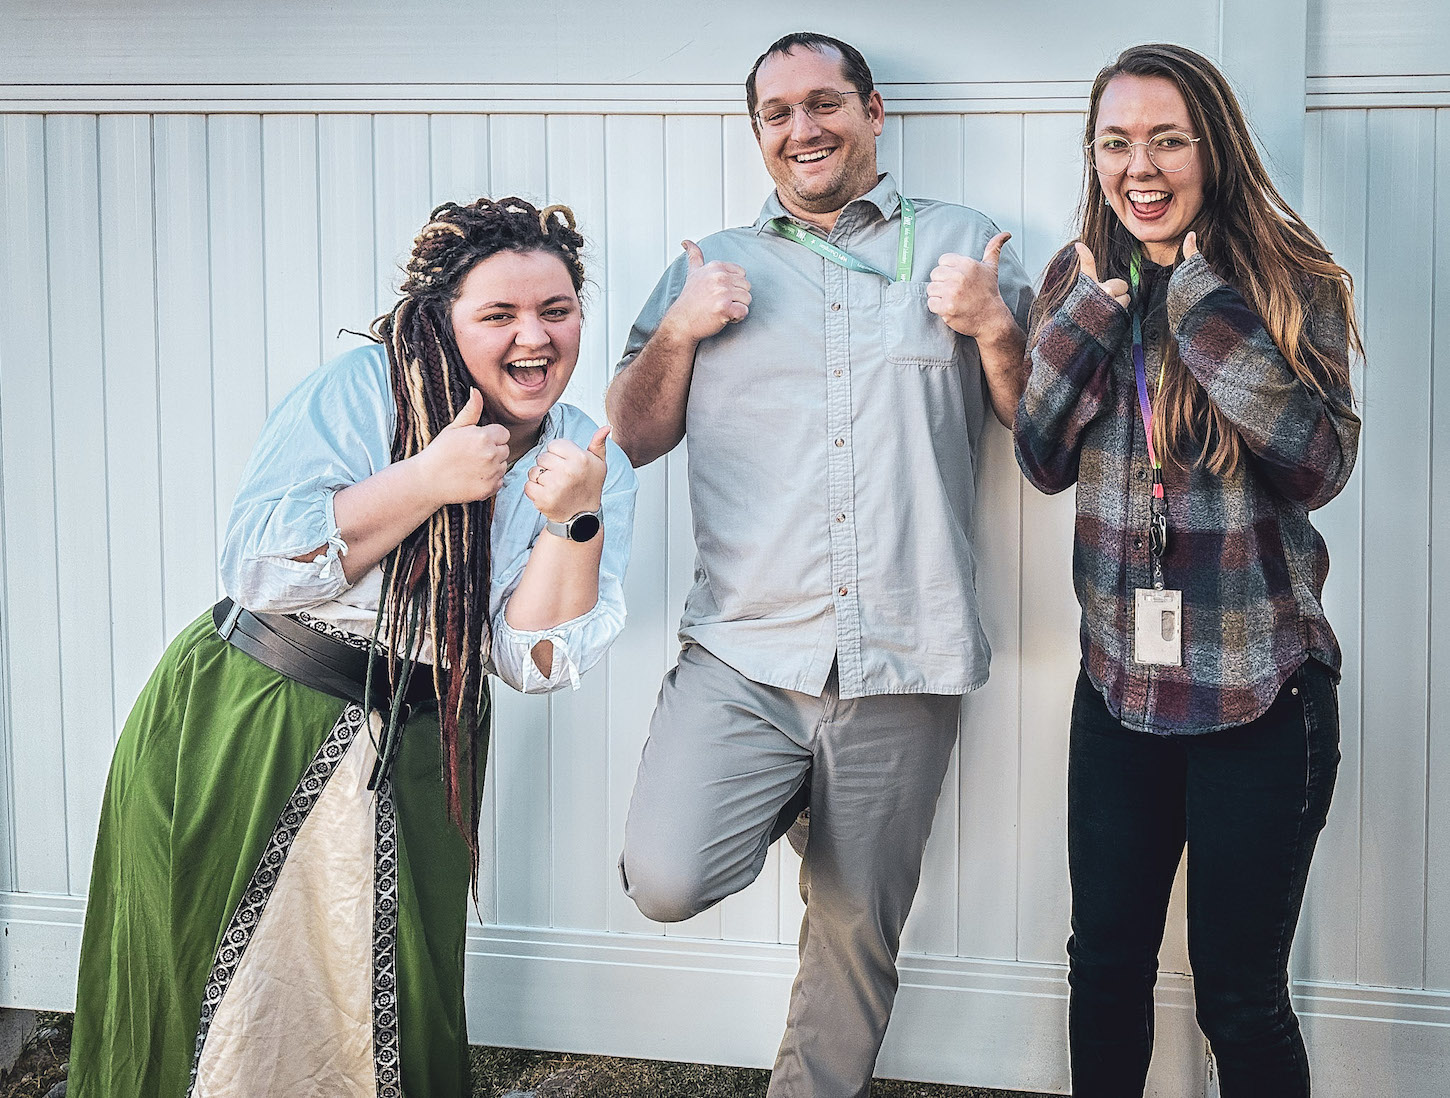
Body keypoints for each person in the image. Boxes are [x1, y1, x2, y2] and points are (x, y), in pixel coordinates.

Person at [69, 197, 637, 1098]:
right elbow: (259, 565)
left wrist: (574, 520)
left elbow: (529, 659)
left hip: (422, 739)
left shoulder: (586, 457)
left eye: (556, 310)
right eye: (499, 314)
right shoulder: (366, 390)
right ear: (443, 320)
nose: (534, 337)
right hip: (259, 714)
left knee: (392, 1005)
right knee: (214, 995)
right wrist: (428, 479)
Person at [607, 32, 1032, 1098]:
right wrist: (679, 334)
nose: (804, 128)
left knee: (855, 928)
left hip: (905, 652)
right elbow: (632, 435)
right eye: (778, 113)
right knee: (667, 876)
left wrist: (992, 329)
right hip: (747, 653)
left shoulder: (966, 245)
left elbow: (1041, 435)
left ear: (873, 113)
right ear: (759, 133)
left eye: (826, 103)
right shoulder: (710, 267)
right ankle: (801, 792)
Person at [1014, 43, 1361, 1098]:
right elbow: (1040, 455)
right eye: (1116, 142)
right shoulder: (1079, 278)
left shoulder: (1292, 281)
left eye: (1168, 139)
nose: (1140, 166)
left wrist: (1198, 303)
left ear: (1214, 147)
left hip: (1259, 693)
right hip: (1119, 689)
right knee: (1104, 971)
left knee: (1238, 996)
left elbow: (1317, 464)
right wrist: (1097, 311)